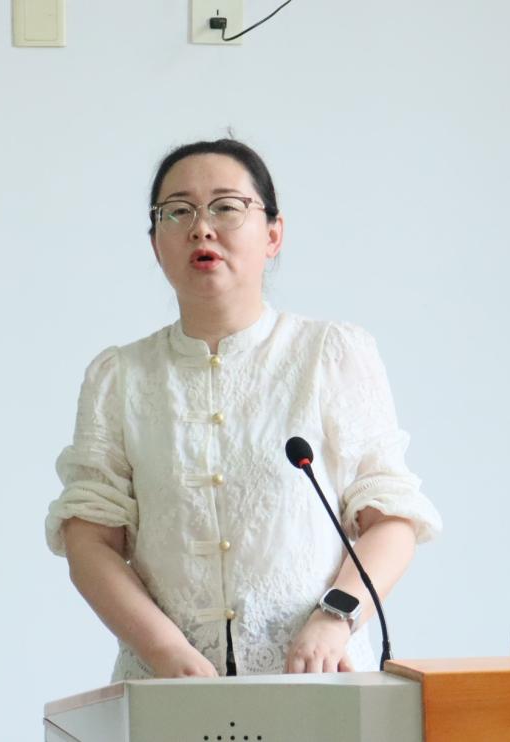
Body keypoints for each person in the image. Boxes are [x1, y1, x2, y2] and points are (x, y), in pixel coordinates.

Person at [46, 139, 442, 680]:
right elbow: (89, 540)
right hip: (167, 688)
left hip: (318, 678)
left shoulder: (330, 355)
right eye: (177, 212)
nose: (201, 228)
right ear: (156, 244)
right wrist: (165, 652)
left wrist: (335, 618)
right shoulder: (119, 377)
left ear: (273, 234)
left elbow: (391, 519)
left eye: (226, 207)